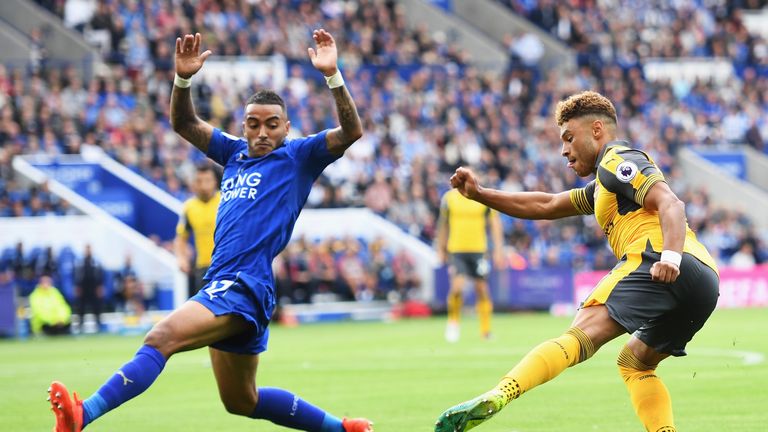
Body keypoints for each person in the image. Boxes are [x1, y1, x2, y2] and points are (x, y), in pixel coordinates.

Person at [48, 30, 372, 432]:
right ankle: (341, 429)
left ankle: (84, 414)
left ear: (286, 127)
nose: (262, 134)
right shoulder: (233, 153)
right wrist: (183, 80)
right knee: (241, 401)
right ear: (244, 126)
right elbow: (183, 122)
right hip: (221, 281)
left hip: (245, 283)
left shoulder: (298, 156)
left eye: (272, 125)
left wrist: (332, 76)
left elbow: (351, 132)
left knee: (160, 337)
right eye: (253, 125)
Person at [434, 91, 719, 432]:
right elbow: (546, 205)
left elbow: (671, 203)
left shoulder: (616, 159)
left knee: (580, 333)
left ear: (597, 129)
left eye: (569, 138)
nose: (564, 151)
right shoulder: (603, 186)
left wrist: (669, 257)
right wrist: (480, 194)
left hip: (659, 259)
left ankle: (501, 393)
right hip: (704, 281)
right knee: (635, 364)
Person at [436, 186, 505, 342]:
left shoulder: (481, 197)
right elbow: (442, 224)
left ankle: (486, 331)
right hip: (456, 250)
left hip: (479, 250)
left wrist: (498, 249)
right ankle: (453, 323)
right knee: (457, 287)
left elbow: (494, 224)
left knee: (481, 289)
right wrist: (440, 248)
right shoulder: (449, 198)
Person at [173, 164, 220, 297]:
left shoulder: (225, 201)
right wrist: (181, 258)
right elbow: (181, 238)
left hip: (226, 266)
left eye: (207, 181)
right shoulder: (189, 207)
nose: (204, 186)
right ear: (194, 183)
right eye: (199, 181)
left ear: (215, 182)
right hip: (203, 268)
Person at [75, 244, 104, 332]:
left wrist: (99, 286)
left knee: (96, 307)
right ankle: (80, 326)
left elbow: (100, 274)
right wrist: (78, 286)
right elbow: (77, 275)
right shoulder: (80, 261)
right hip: (83, 287)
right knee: (81, 308)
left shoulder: (95, 261)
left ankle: (99, 325)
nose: (88, 251)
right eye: (86, 249)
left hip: (94, 287)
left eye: (89, 249)